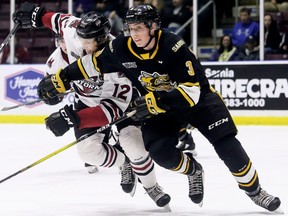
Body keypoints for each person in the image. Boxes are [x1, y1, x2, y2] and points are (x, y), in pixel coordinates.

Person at [37, 4, 282, 211]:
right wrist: (60, 79)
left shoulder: (174, 46)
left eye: (139, 29)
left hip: (199, 102)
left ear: (154, 27)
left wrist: (154, 102)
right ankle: (194, 171)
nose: (134, 34)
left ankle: (255, 191)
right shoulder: (121, 48)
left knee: (226, 143)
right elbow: (90, 65)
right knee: (159, 153)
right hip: (161, 108)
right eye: (131, 29)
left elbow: (191, 91)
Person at [13, 3, 171, 209]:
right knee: (87, 152)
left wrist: (74, 118)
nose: (83, 46)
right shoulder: (75, 34)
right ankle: (124, 164)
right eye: (82, 40)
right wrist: (38, 15)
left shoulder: (119, 58)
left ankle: (152, 186)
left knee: (135, 147)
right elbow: (58, 20)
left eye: (88, 43)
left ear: (102, 39)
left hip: (124, 105)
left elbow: (111, 110)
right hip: (86, 101)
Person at [45, 34, 100, 174]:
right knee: (81, 126)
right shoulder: (53, 61)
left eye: (65, 40)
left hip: (104, 93)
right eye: (61, 41)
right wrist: (54, 95)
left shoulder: (83, 49)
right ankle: (91, 155)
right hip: (82, 96)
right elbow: (52, 87)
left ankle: (118, 153)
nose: (64, 44)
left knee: (109, 126)